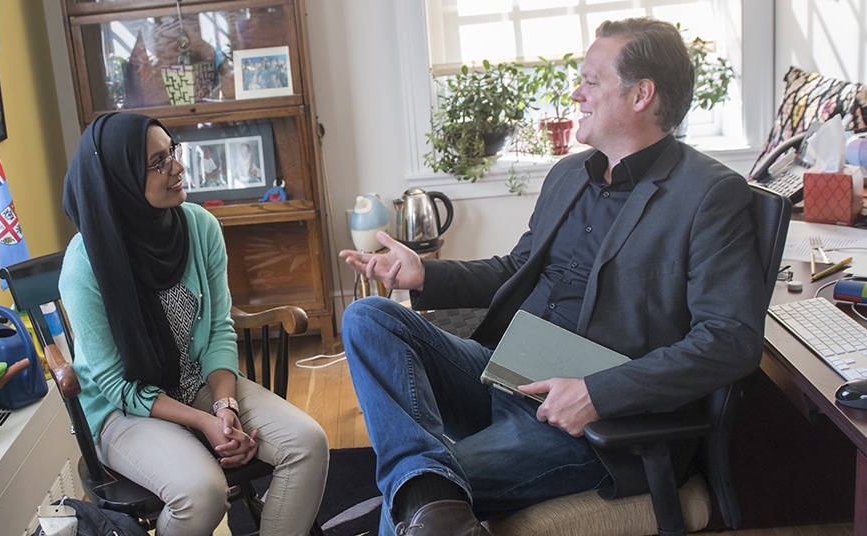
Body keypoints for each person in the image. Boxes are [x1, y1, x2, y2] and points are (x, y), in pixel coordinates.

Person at [339, 17, 765, 536]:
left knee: (417, 493)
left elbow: (731, 340)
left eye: (590, 81)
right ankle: (428, 486)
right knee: (369, 318)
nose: (575, 94)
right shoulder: (569, 174)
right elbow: (517, 269)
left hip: (594, 426)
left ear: (641, 95)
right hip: (508, 370)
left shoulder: (708, 194)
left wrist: (597, 393)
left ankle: (426, 490)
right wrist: (423, 272)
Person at [60, 112, 329, 536]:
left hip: (198, 382)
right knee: (202, 492)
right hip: (124, 411)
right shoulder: (85, 264)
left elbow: (220, 329)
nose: (178, 167)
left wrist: (225, 406)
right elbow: (115, 384)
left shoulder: (200, 227)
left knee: (309, 444)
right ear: (120, 180)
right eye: (157, 162)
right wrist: (205, 423)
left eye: (172, 151)